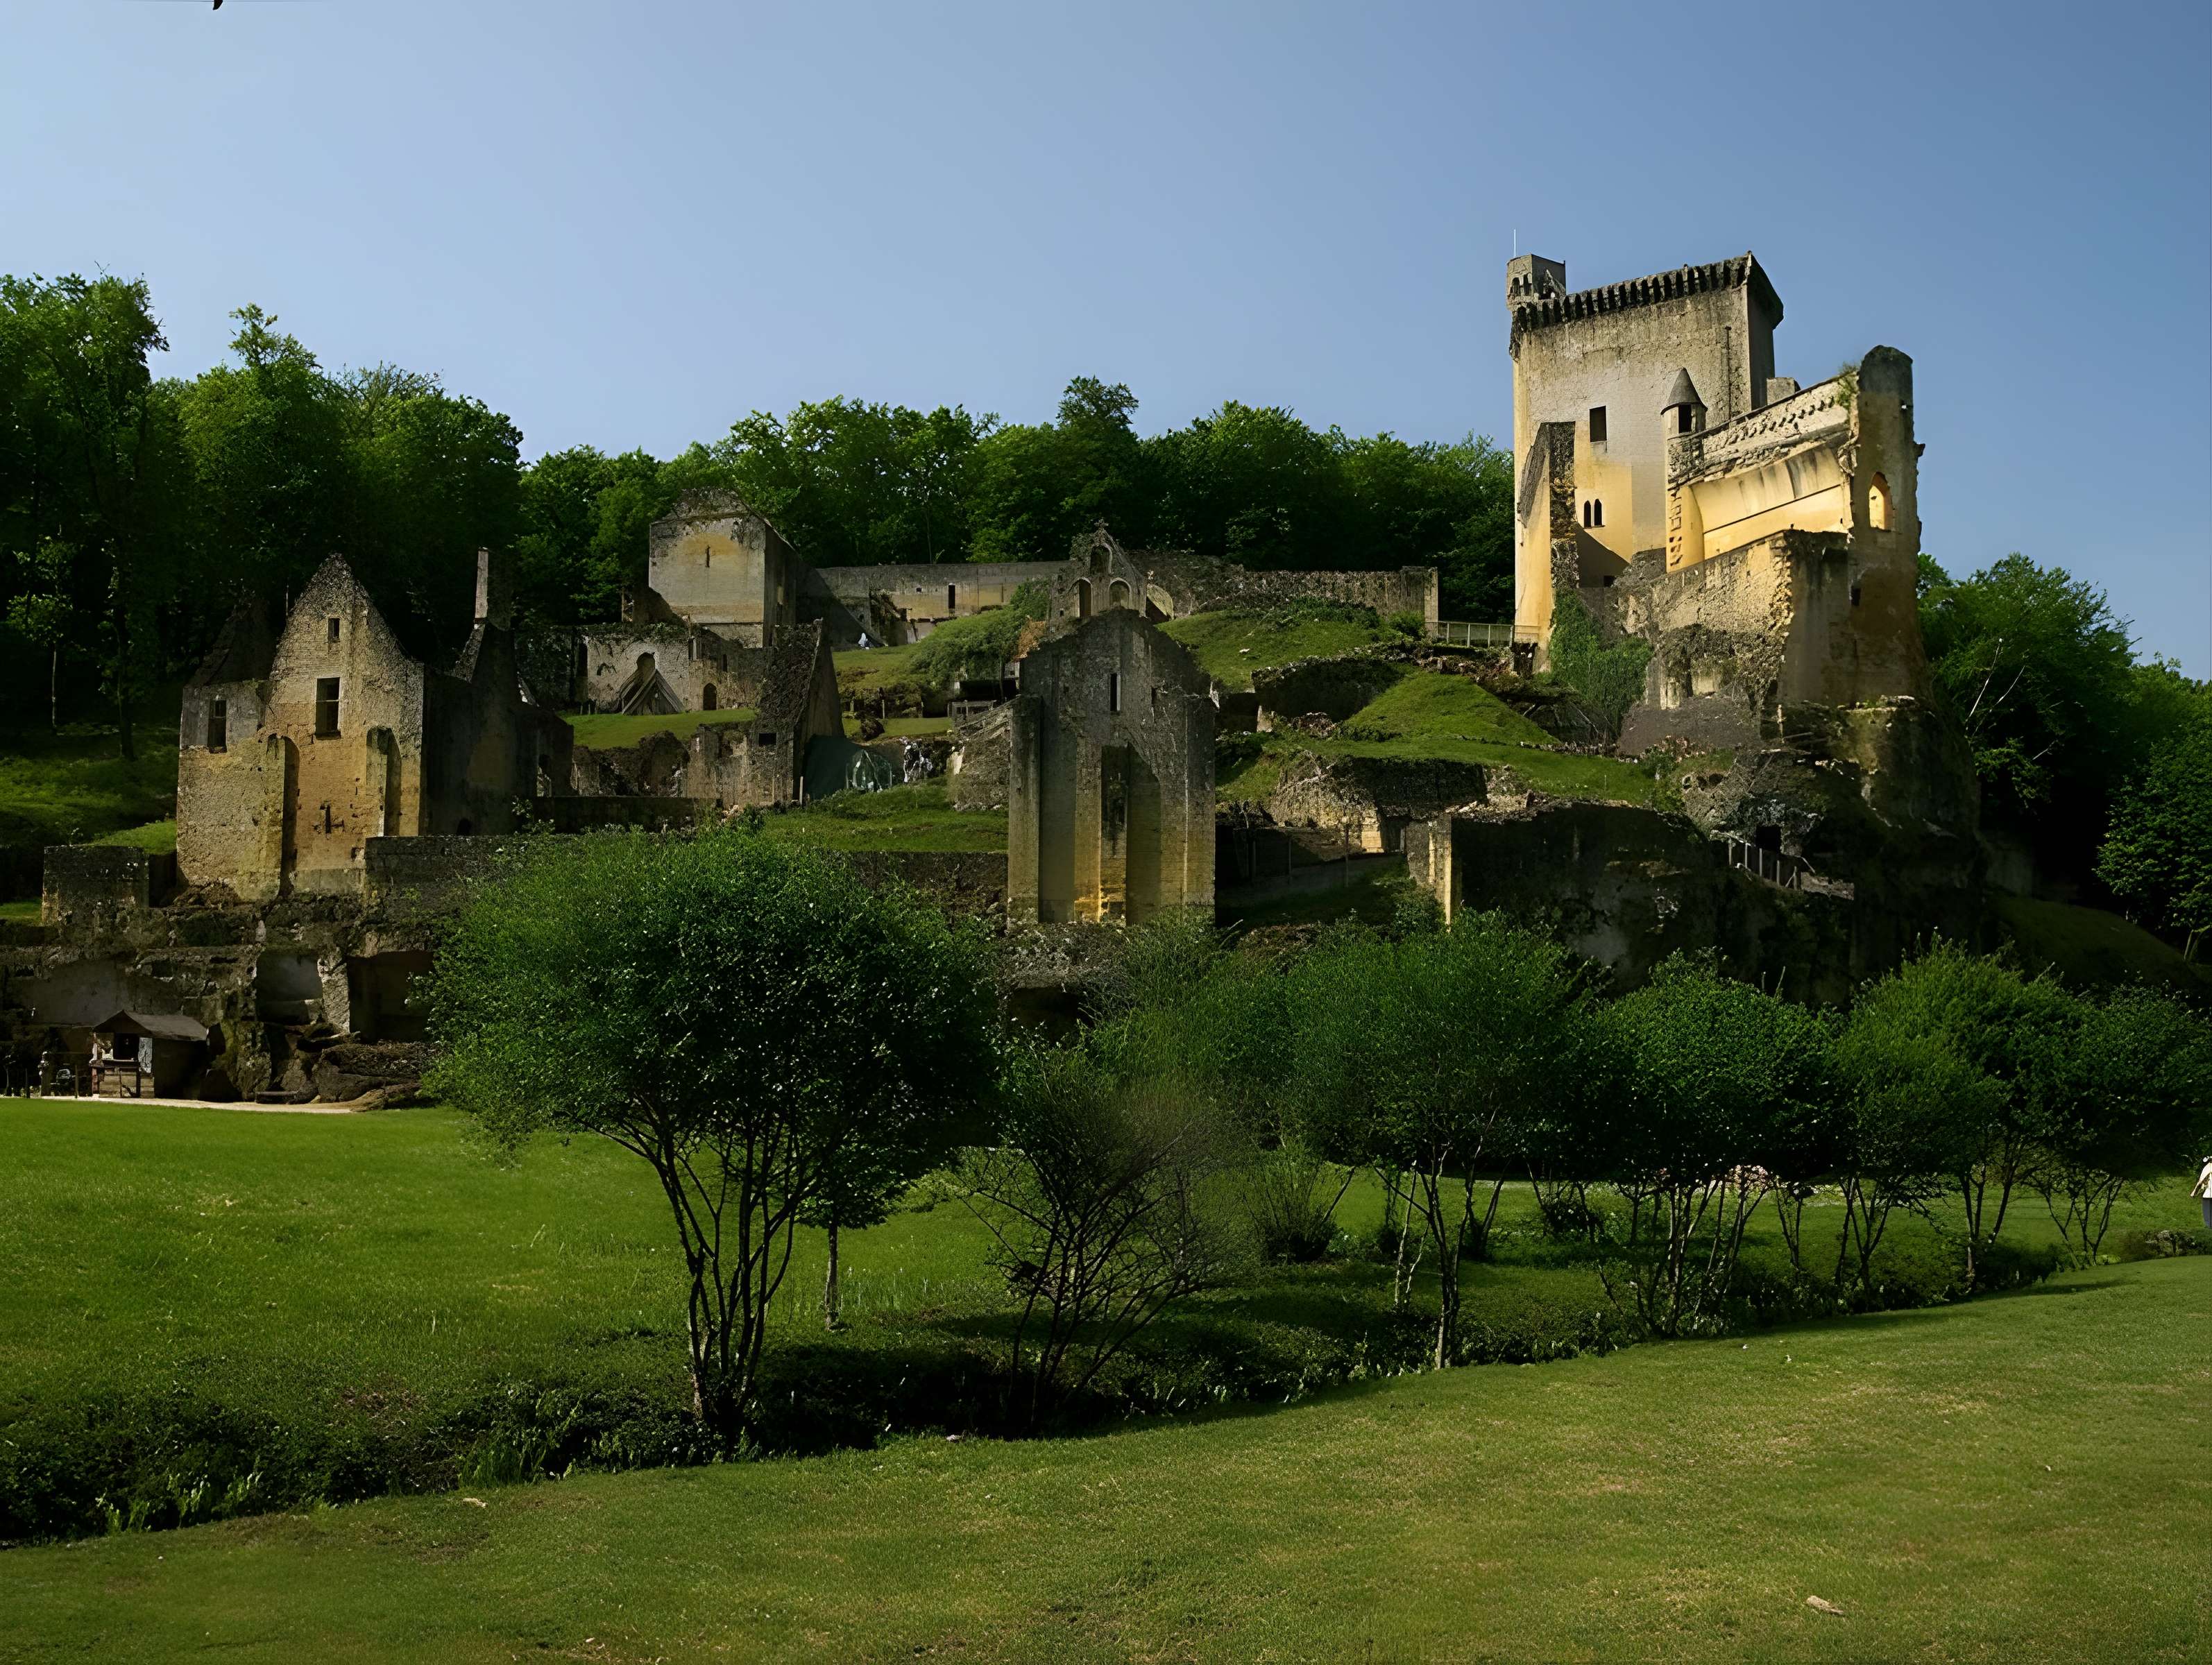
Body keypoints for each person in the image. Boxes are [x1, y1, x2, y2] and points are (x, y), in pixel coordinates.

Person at [2195, 1156, 2212, 1232]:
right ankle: (2208, 1226)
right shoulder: (2207, 1168)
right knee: (2207, 1211)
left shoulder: (2207, 1168)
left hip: (2207, 1194)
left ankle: (2208, 1226)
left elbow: (2201, 1180)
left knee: (2207, 1211)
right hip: (2207, 1194)